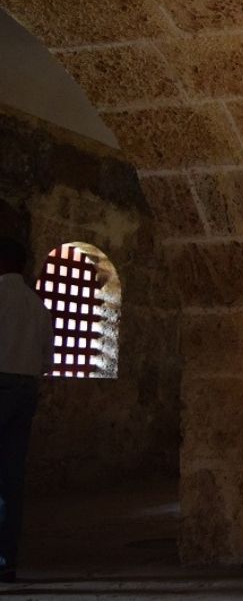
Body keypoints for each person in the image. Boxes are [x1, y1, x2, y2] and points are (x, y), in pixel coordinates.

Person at [0, 238, 53, 583]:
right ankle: (8, 561)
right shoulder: (37, 306)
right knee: (11, 476)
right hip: (26, 389)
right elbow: (46, 361)